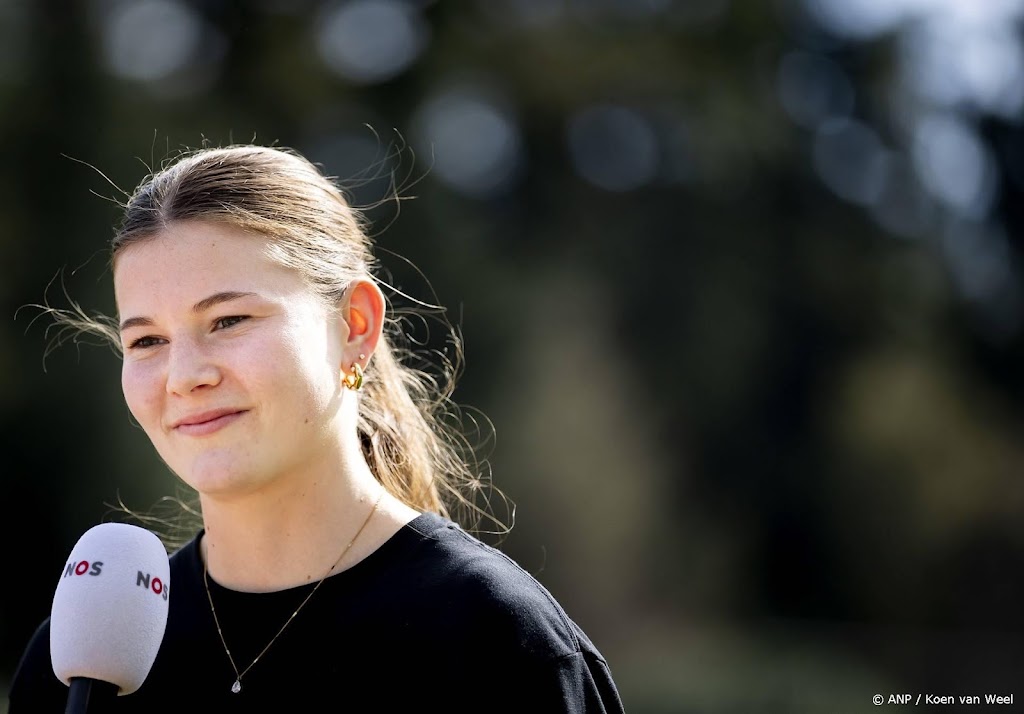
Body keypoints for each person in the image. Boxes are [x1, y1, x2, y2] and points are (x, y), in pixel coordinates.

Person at [8, 144, 626, 712]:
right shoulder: (75, 666)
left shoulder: (496, 643)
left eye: (227, 320)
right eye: (146, 340)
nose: (183, 375)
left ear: (354, 325)